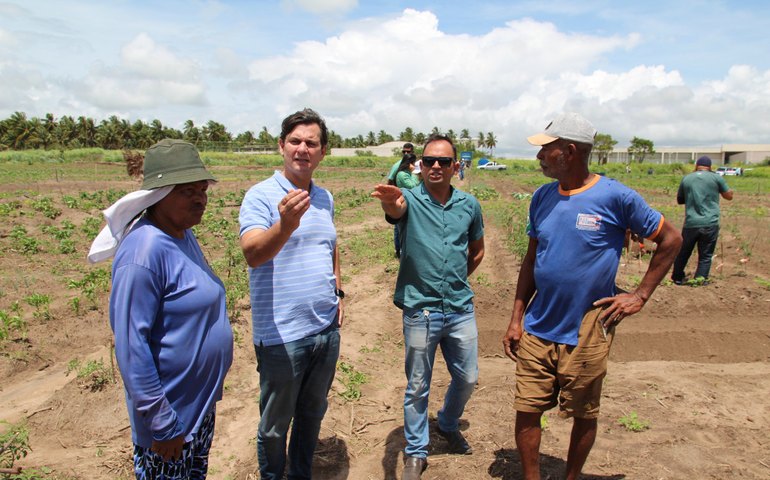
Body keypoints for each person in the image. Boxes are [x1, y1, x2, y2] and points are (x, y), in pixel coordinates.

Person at [502, 113, 682, 480]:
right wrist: (517, 317)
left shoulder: (616, 196)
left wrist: (639, 296)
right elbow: (532, 258)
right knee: (527, 407)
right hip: (539, 323)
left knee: (584, 411)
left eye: (546, 150)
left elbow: (671, 239)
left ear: (569, 152)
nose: (539, 157)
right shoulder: (541, 197)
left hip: (588, 325)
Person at [96, 139, 233, 479]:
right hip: (170, 422)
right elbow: (131, 345)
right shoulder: (143, 252)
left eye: (202, 189)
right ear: (158, 194)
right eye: (187, 191)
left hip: (195, 411)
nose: (200, 198)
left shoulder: (181, 234)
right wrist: (161, 422)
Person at [372, 134, 485, 480]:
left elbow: (477, 250)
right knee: (417, 385)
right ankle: (417, 452)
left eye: (444, 161)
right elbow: (396, 210)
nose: (436, 166)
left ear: (455, 167)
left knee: (467, 377)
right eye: (429, 161)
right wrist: (390, 203)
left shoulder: (469, 205)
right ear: (420, 165)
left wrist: (455, 280)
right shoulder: (409, 198)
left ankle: (448, 423)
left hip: (459, 308)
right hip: (420, 310)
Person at [239, 108, 342, 480]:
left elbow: (330, 245)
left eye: (311, 143)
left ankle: (300, 474)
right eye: (295, 141)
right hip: (281, 335)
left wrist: (338, 290)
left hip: (325, 331)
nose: (303, 149)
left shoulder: (325, 197)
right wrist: (284, 224)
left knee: (312, 414)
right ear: (281, 146)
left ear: (322, 151)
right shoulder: (261, 197)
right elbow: (253, 254)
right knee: (274, 425)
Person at [671, 155, 733, 285]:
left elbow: (680, 200)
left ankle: (677, 277)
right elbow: (729, 196)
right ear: (710, 167)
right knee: (705, 255)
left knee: (683, 252)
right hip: (710, 222)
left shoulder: (687, 178)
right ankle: (700, 279)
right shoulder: (716, 178)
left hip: (691, 223)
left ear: (696, 166)